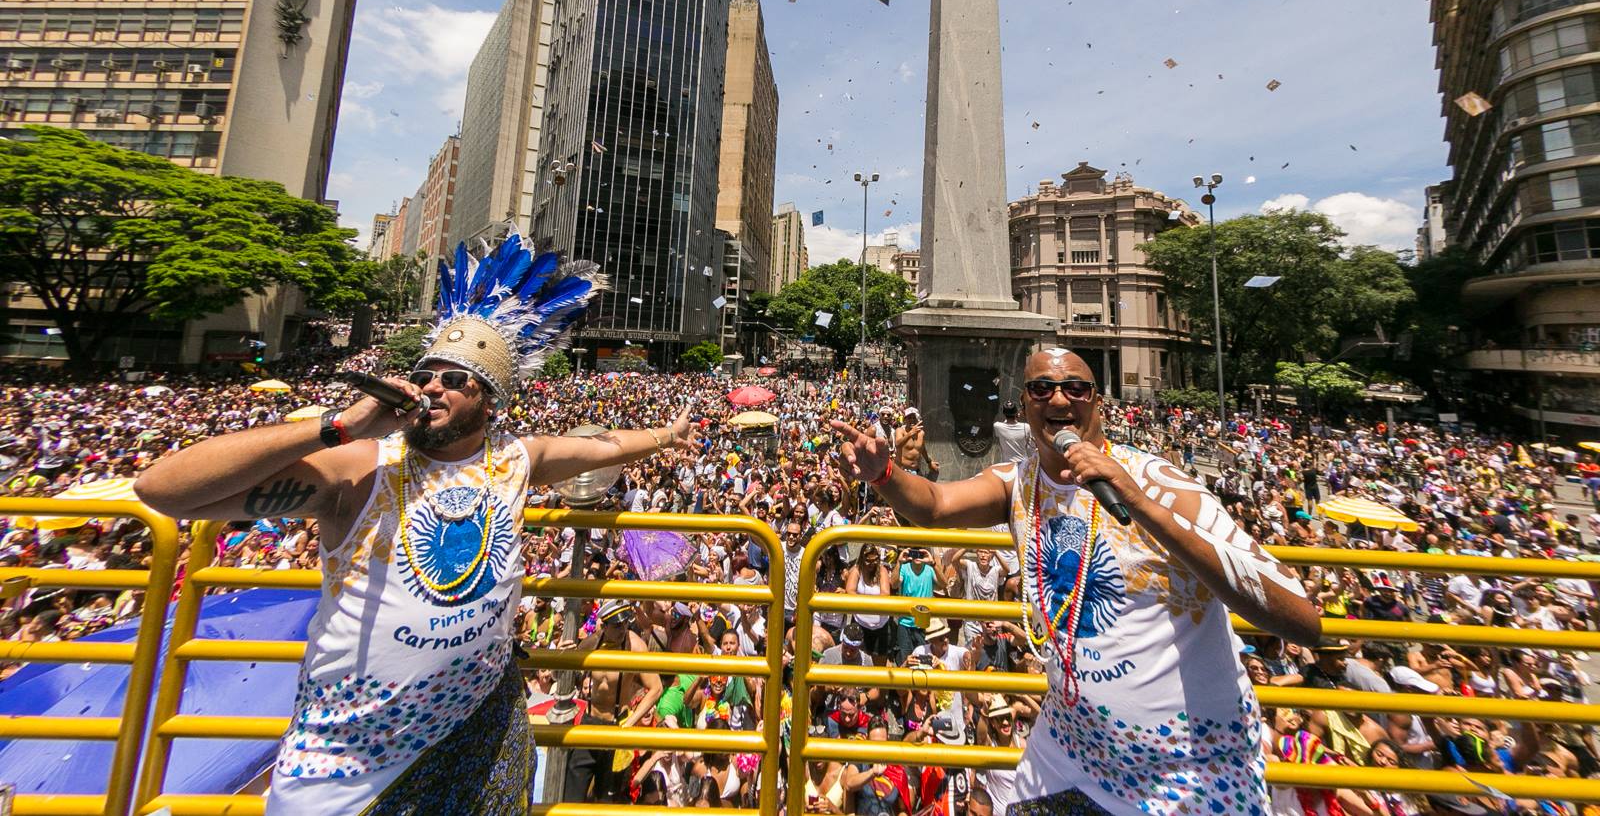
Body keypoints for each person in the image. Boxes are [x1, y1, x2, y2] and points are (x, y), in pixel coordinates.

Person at [134, 233, 693, 816]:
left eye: (454, 380)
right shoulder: (362, 467)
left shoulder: (517, 460)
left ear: (490, 399)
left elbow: (602, 445)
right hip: (349, 765)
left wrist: (666, 437)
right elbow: (162, 489)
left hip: (480, 738)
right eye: (427, 374)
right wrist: (336, 427)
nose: (432, 386)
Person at [831, 347, 1321, 816]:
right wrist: (885, 475)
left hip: (1190, 770)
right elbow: (935, 505)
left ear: (1097, 403)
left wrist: (1139, 503)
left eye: (1075, 388)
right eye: (1042, 389)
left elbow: (1300, 619)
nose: (1059, 399)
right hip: (1068, 749)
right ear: (1025, 405)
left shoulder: (1163, 484)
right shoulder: (1017, 482)